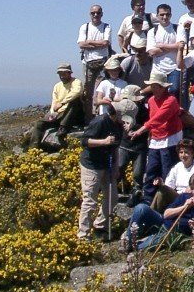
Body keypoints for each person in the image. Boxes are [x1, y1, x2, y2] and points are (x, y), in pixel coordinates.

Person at [78, 98, 136, 240]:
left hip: (107, 165)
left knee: (112, 198)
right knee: (90, 200)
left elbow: (115, 147)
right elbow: (84, 141)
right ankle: (83, 235)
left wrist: (116, 167)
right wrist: (103, 142)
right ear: (117, 113)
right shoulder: (100, 121)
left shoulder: (118, 126)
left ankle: (100, 227)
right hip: (91, 165)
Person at [122, 174, 194, 251]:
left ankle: (136, 246)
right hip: (162, 222)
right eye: (192, 188)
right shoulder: (184, 197)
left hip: (175, 233)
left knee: (156, 241)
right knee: (141, 208)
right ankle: (128, 241)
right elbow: (166, 214)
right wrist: (184, 207)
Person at [131, 71, 183, 204]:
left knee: (167, 171)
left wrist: (141, 130)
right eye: (152, 86)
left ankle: (168, 200)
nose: (153, 89)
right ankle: (148, 199)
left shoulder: (171, 100)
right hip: (156, 138)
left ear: (163, 87)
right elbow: (153, 119)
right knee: (151, 170)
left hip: (170, 138)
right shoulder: (151, 100)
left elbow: (158, 118)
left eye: (156, 86)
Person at [29, 63, 84, 149]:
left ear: (69, 73)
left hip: (74, 114)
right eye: (60, 74)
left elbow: (76, 92)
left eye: (64, 74)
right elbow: (54, 101)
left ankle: (63, 127)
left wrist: (62, 103)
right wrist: (52, 113)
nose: (62, 76)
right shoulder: (57, 86)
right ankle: (33, 148)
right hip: (60, 114)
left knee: (74, 101)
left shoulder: (76, 82)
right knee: (39, 124)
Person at [115, 85, 147, 206]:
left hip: (140, 147)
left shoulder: (144, 111)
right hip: (124, 144)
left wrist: (137, 129)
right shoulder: (121, 109)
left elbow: (148, 125)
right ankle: (111, 192)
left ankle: (136, 196)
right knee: (118, 168)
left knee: (138, 174)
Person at [78, 5, 113, 112]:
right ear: (90, 14)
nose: (95, 15)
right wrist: (98, 44)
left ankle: (98, 115)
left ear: (102, 14)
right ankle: (88, 117)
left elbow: (105, 43)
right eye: (93, 13)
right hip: (88, 62)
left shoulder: (106, 27)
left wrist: (89, 42)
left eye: (98, 12)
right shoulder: (85, 27)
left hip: (103, 61)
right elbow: (81, 44)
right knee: (87, 91)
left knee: (100, 91)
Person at [146, 5, 180, 96]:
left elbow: (181, 45)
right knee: (157, 94)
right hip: (158, 69)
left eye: (167, 14)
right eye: (162, 14)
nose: (165, 17)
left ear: (171, 15)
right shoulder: (152, 31)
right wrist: (173, 47)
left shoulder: (178, 28)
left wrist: (162, 46)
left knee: (174, 90)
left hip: (174, 68)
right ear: (157, 16)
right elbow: (152, 52)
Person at [119, 23, 153, 88]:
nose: (137, 53)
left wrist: (141, 92)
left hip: (147, 93)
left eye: (140, 51)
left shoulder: (153, 63)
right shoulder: (127, 62)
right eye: (136, 50)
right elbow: (120, 82)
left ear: (147, 51)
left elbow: (155, 84)